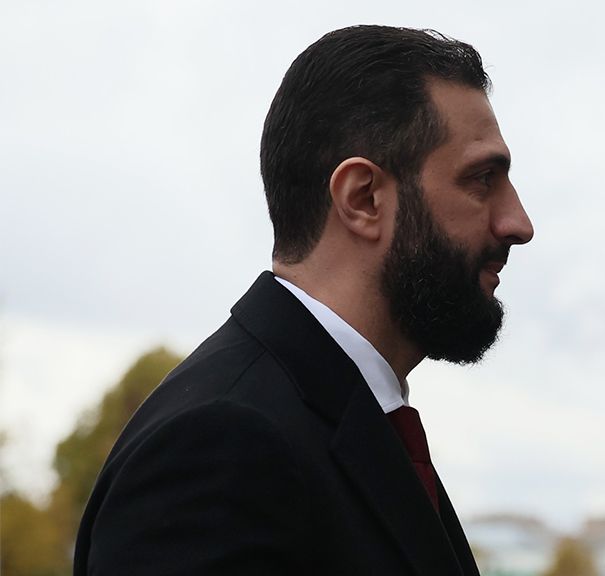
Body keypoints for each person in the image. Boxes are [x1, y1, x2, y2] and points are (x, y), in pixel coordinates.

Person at [73, 25, 533, 575]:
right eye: (482, 179)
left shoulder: (332, 423)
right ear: (363, 198)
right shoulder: (222, 445)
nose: (519, 223)